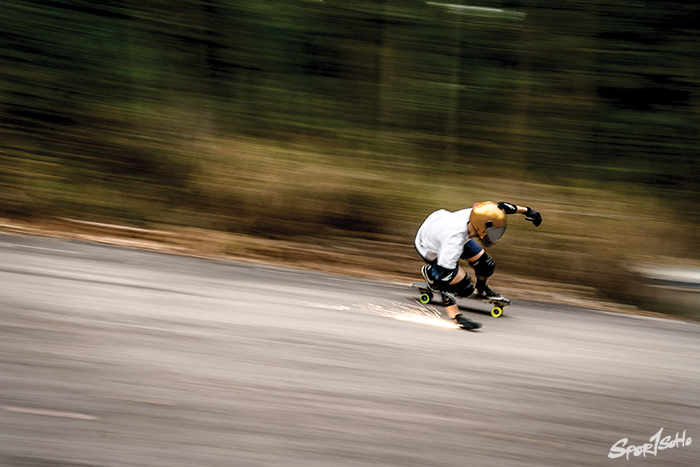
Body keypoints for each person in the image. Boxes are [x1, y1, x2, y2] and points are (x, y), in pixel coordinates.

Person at [414, 201, 542, 329]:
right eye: (493, 230)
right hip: (428, 246)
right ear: (482, 226)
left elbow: (501, 207)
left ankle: (482, 289)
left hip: (441, 223)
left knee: (486, 265)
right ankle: (431, 273)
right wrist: (456, 316)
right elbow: (444, 283)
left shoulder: (478, 214)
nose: (494, 234)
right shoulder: (453, 243)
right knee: (464, 288)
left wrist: (528, 211)